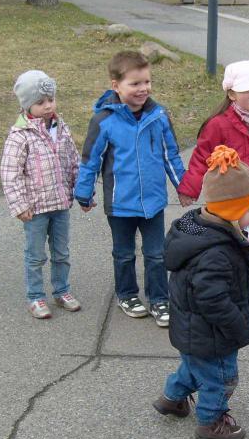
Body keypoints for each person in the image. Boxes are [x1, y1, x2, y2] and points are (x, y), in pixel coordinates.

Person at [153, 145, 249, 439]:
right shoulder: (217, 253)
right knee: (221, 377)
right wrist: (239, 329)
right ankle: (211, 421)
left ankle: (172, 399)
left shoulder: (201, 230)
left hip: (193, 331)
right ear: (231, 211)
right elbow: (213, 300)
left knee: (194, 366)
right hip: (212, 334)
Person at [74, 51, 185, 327]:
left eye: (146, 81)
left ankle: (160, 299)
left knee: (157, 254)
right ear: (116, 86)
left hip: (152, 202)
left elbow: (170, 154)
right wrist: (84, 192)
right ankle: (127, 294)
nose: (143, 88)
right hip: (120, 203)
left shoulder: (158, 116)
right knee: (123, 253)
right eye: (135, 83)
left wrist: (184, 186)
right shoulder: (104, 120)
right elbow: (90, 161)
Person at [176, 60, 249, 264]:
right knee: (226, 255)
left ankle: (246, 293)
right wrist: (189, 188)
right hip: (226, 204)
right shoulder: (218, 124)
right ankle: (226, 290)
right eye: (247, 88)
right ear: (232, 94)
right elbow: (201, 158)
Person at [1, 70, 81, 320]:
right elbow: (10, 173)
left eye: (51, 100)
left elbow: (73, 160)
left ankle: (62, 290)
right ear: (27, 105)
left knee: (62, 252)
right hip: (34, 208)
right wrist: (19, 205)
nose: (48, 106)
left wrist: (82, 192)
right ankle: (35, 296)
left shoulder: (61, 127)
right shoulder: (20, 135)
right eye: (40, 102)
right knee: (35, 255)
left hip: (60, 204)